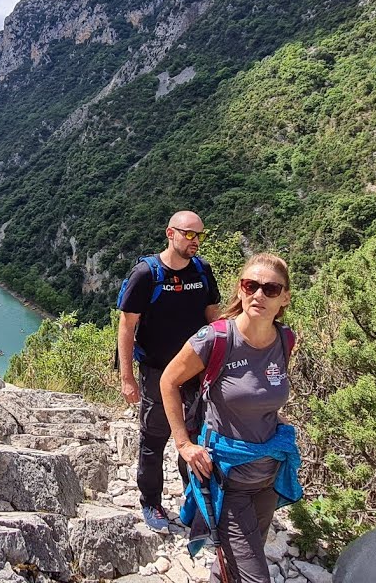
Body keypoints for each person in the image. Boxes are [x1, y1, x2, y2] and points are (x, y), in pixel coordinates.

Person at [161, 253, 303, 583]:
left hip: (268, 476)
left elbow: (266, 395)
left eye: (270, 289)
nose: (259, 295)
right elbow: (169, 380)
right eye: (251, 285)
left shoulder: (285, 340)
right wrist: (183, 443)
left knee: (229, 566)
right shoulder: (215, 339)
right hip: (227, 478)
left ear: (285, 298)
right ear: (240, 290)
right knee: (254, 576)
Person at [117, 210, 221, 533]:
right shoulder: (146, 275)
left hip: (195, 372)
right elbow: (126, 325)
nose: (194, 241)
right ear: (170, 233)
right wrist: (126, 377)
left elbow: (214, 320)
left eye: (199, 236)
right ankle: (151, 501)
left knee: (193, 437)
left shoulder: (202, 272)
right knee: (154, 438)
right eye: (188, 234)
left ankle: (194, 502)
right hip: (156, 371)